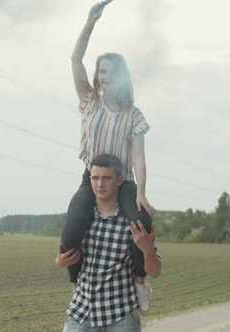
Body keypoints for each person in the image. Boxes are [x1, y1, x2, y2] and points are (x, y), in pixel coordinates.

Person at [60, 1, 154, 312]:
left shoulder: (133, 115)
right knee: (72, 228)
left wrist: (140, 193)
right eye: (100, 70)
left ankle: (139, 282)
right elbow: (75, 58)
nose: (102, 76)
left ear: (120, 77)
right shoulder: (88, 101)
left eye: (109, 72)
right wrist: (90, 22)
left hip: (124, 182)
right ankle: (77, 285)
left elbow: (138, 158)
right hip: (93, 180)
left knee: (141, 223)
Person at [56, 154, 162, 331]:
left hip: (121, 317)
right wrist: (60, 261)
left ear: (119, 180)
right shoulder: (81, 219)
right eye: (95, 178)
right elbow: (60, 257)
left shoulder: (133, 223)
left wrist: (147, 249)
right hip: (81, 313)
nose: (100, 184)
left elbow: (156, 272)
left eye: (106, 178)